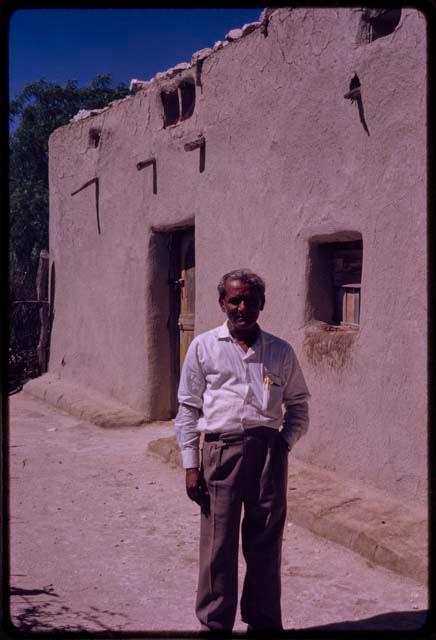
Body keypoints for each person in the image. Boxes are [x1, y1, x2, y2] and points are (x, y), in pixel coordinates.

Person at [175, 268, 310, 633]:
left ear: (262, 304)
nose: (242, 307)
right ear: (222, 303)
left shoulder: (280, 351)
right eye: (234, 299)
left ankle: (263, 624)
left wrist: (283, 444)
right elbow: (188, 407)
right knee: (218, 547)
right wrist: (191, 464)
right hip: (220, 453)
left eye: (250, 300)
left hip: (269, 453)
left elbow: (298, 404)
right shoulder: (203, 347)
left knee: (265, 544)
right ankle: (214, 624)